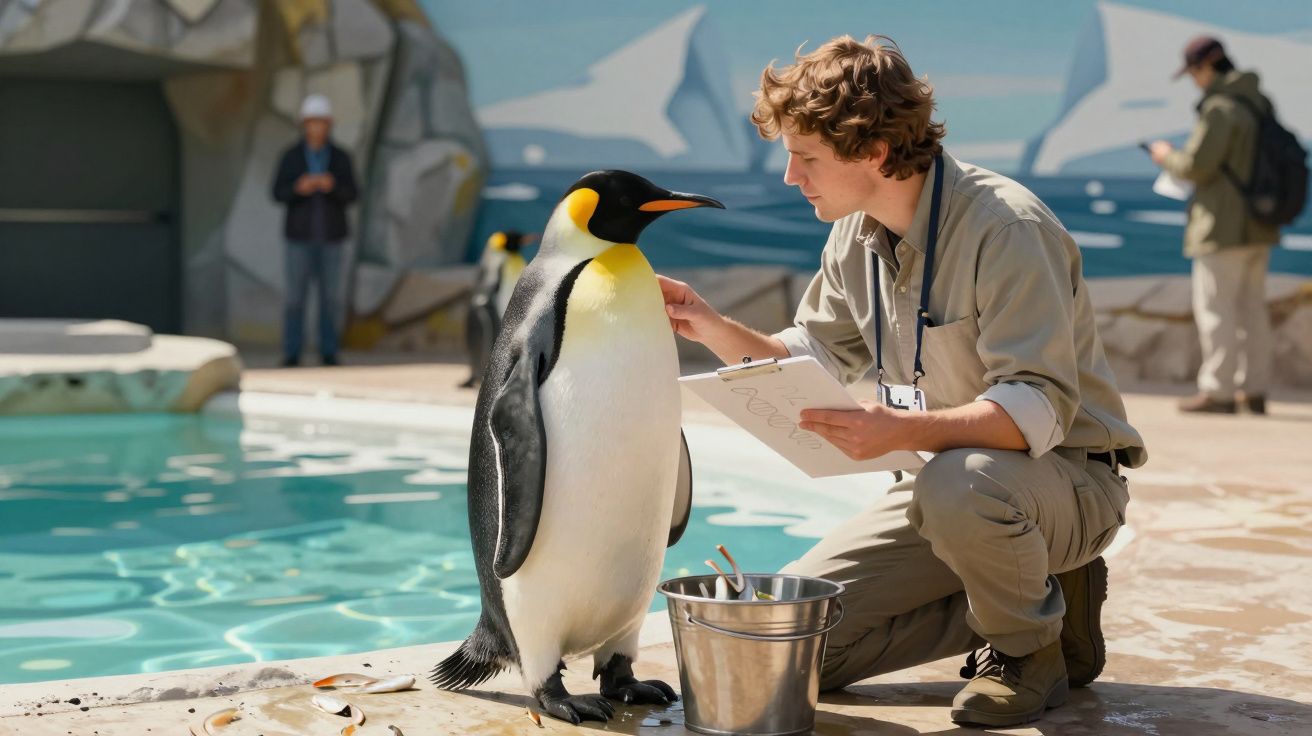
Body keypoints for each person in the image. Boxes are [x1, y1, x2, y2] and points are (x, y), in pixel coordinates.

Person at [658, 36, 1146, 727]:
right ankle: (1047, 601)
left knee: (959, 485)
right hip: (949, 488)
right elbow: (809, 357)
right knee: (791, 649)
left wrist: (897, 431)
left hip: (1061, 481)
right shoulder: (853, 233)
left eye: (806, 157)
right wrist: (708, 326)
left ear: (874, 151)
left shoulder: (1007, 228)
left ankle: (1027, 653)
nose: (791, 177)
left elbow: (1036, 410)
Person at [1149, 37, 1279, 414]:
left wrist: (1166, 156)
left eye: (1193, 73)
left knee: (1217, 309)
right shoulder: (1257, 100)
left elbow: (1197, 166)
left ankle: (1219, 391)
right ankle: (1254, 390)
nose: (1194, 81)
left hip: (1221, 225)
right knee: (1253, 309)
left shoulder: (1220, 108)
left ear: (1205, 67)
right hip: (1259, 223)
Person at [271, 94, 359, 367]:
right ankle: (292, 353)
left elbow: (354, 193)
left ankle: (329, 352)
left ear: (328, 124)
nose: (316, 127)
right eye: (311, 122)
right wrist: (298, 188)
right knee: (294, 299)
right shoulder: (291, 157)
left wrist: (333, 186)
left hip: (332, 238)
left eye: (321, 122)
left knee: (330, 299)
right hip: (299, 239)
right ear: (304, 124)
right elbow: (277, 192)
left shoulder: (340, 157)